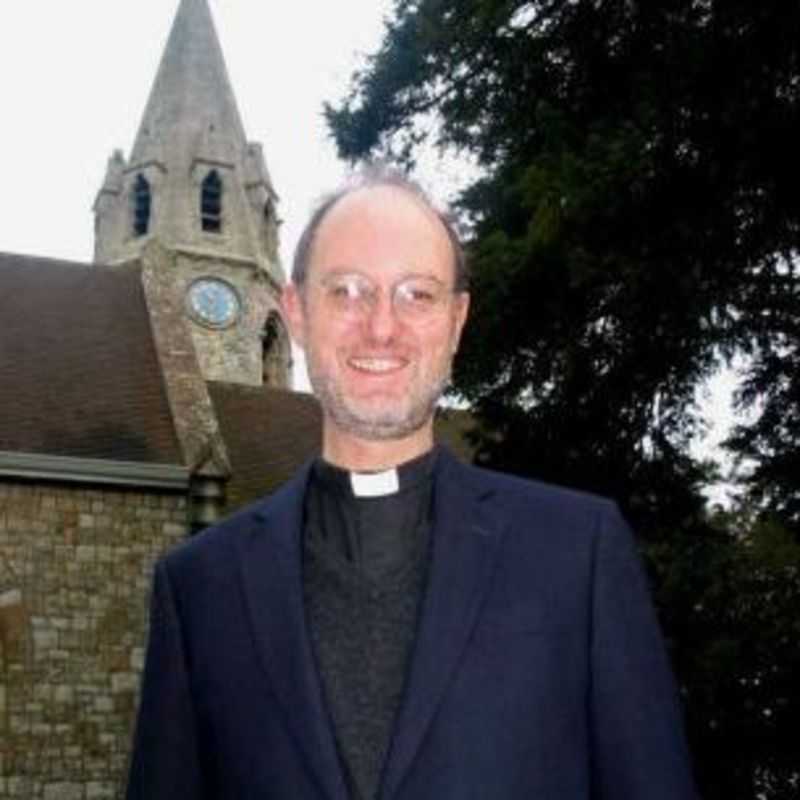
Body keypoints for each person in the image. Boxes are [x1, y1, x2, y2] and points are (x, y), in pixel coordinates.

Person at [127, 167, 698, 799]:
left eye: (417, 295)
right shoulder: (200, 587)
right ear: (294, 311)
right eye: (346, 290)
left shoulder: (577, 556)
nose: (380, 326)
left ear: (456, 322)